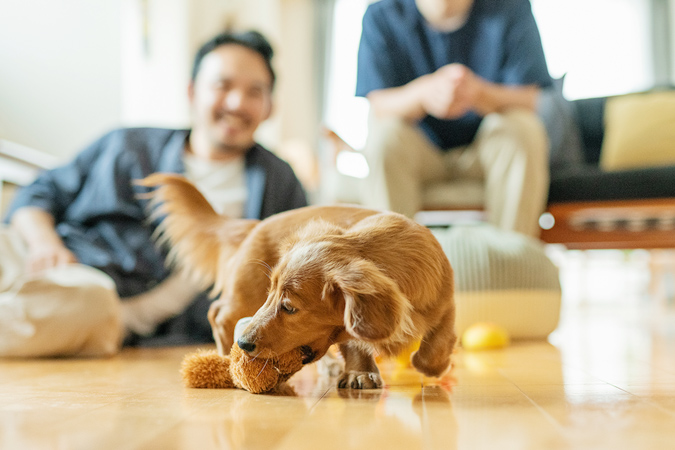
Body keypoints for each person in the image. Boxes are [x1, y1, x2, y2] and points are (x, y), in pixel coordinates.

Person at [0, 30, 307, 357]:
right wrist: (44, 243)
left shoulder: (280, 184)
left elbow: (301, 275)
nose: (236, 103)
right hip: (41, 257)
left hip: (96, 306)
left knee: (92, 302)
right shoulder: (126, 144)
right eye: (223, 85)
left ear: (269, 106)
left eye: (254, 92)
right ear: (192, 92)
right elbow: (39, 191)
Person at [355, 0, 552, 237]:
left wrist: (479, 94)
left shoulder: (512, 8)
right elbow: (379, 104)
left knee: (523, 127)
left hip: (487, 151)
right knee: (384, 135)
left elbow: (528, 99)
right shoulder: (381, 15)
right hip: (419, 151)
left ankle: (512, 260)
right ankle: (393, 263)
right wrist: (424, 94)